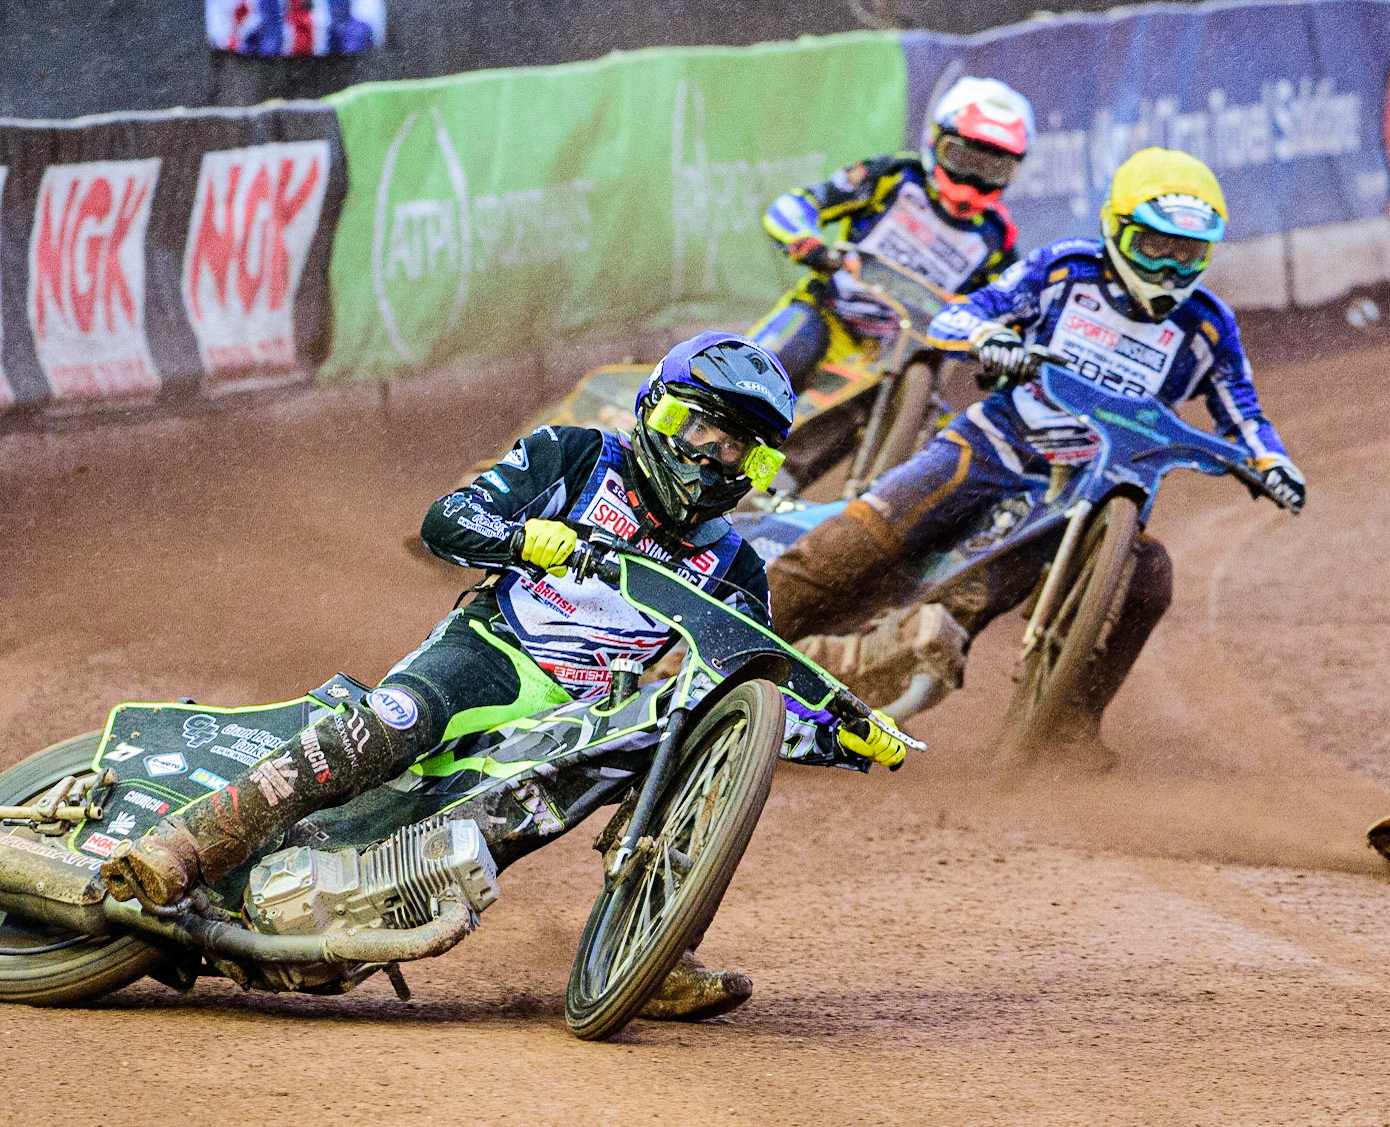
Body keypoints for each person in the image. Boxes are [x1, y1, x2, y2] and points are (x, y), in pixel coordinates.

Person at [102, 331, 908, 1020]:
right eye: (693, 426)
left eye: (733, 446)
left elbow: (748, 684)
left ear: (756, 464)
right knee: (392, 724)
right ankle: (183, 844)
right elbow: (445, 519)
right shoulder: (575, 455)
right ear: (652, 410)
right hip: (492, 650)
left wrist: (842, 729)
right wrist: (524, 540)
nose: (706, 454)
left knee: (680, 750)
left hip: (587, 712)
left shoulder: (735, 564)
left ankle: (657, 949)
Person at [764, 148, 1305, 754]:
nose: (1168, 269)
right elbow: (960, 317)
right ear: (1116, 229)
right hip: (992, 446)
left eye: (1188, 254)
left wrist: (1273, 463)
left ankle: (1071, 726)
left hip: (1089, 494)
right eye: (1154, 246)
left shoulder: (1208, 327)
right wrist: (989, 337)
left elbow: (1244, 413)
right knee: (846, 549)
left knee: (1149, 579)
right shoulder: (1063, 271)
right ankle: (720, 645)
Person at [750, 76, 1033, 393]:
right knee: (775, 351)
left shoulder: (997, 236)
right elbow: (794, 206)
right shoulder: (894, 176)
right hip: (831, 317)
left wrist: (1007, 348)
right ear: (935, 140)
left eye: (993, 169)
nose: (972, 179)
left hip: (911, 357)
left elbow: (1013, 312)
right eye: (963, 158)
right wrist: (810, 246)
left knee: (960, 403)